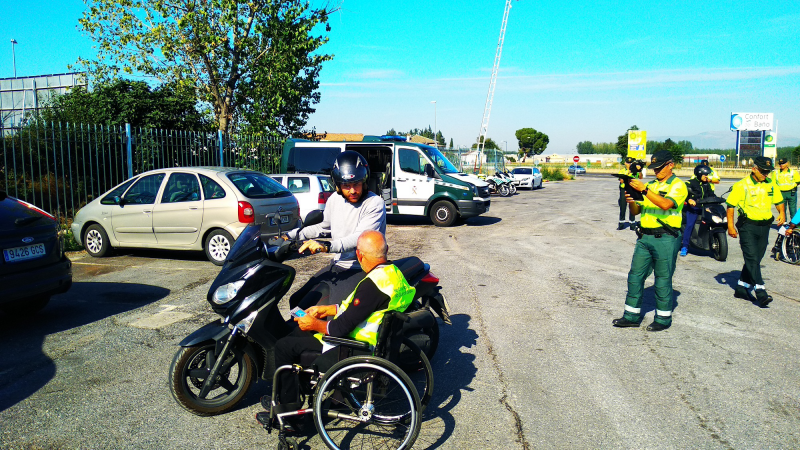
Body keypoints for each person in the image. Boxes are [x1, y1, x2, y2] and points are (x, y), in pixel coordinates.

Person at [256, 230, 415, 429]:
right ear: (385, 251)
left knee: (284, 347)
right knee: (298, 333)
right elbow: (365, 309)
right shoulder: (393, 274)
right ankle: (289, 394)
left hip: (351, 348)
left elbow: (340, 328)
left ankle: (290, 419)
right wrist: (329, 309)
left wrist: (314, 324)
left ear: (360, 255)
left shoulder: (372, 285)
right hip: (373, 342)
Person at [286, 151, 387, 310]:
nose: (352, 191)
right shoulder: (334, 199)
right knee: (297, 303)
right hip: (339, 264)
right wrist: (290, 235)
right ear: (338, 185)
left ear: (365, 181)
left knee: (332, 313)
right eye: (346, 186)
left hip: (362, 268)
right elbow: (323, 226)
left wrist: (326, 246)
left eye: (357, 184)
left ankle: (328, 333)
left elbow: (359, 239)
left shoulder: (374, 203)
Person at [612, 150, 688, 332]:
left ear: (671, 165)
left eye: (660, 167)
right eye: (654, 168)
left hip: (666, 238)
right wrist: (631, 199)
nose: (656, 171)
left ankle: (663, 318)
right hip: (644, 237)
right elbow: (637, 211)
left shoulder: (678, 185)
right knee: (635, 277)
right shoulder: (652, 184)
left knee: (662, 279)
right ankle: (631, 316)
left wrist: (644, 190)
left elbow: (665, 204)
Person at [726, 156, 785, 307]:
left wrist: (782, 213)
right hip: (748, 226)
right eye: (763, 171)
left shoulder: (770, 184)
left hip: (764, 226)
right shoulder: (742, 185)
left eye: (768, 172)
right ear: (754, 169)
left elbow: (778, 201)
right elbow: (731, 206)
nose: (766, 174)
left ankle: (741, 287)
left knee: (756, 258)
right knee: (751, 257)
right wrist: (731, 226)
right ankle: (760, 290)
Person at [680, 165, 715, 256]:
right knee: (690, 225)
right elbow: (683, 193)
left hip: (704, 208)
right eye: (705, 175)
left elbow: (711, 195)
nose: (707, 177)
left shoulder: (707, 184)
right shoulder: (690, 183)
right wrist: (689, 200)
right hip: (693, 209)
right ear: (699, 174)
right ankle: (685, 246)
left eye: (707, 175)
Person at [616, 157, 642, 230]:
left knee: (632, 206)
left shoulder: (634, 171)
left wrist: (639, 170)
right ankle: (621, 223)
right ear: (625, 163)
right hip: (624, 189)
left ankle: (632, 224)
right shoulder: (622, 171)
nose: (629, 164)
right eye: (628, 163)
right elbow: (621, 181)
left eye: (630, 163)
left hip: (632, 189)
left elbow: (640, 177)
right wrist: (628, 171)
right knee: (623, 206)